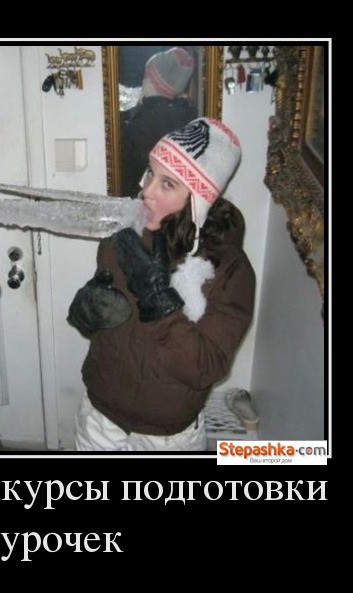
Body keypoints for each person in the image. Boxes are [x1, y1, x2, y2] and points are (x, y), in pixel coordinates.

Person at [68, 117, 255, 451]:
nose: (146, 191)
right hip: (99, 418)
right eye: (150, 173)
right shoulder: (124, 235)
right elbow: (106, 325)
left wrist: (158, 299)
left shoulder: (230, 271)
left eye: (168, 184)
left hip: (168, 436)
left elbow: (205, 368)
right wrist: (87, 312)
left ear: (199, 199)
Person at [120, 47, 198, 199]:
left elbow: (132, 174)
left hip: (145, 200)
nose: (143, 82)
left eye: (147, 77)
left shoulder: (145, 120)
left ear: (156, 84)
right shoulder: (186, 116)